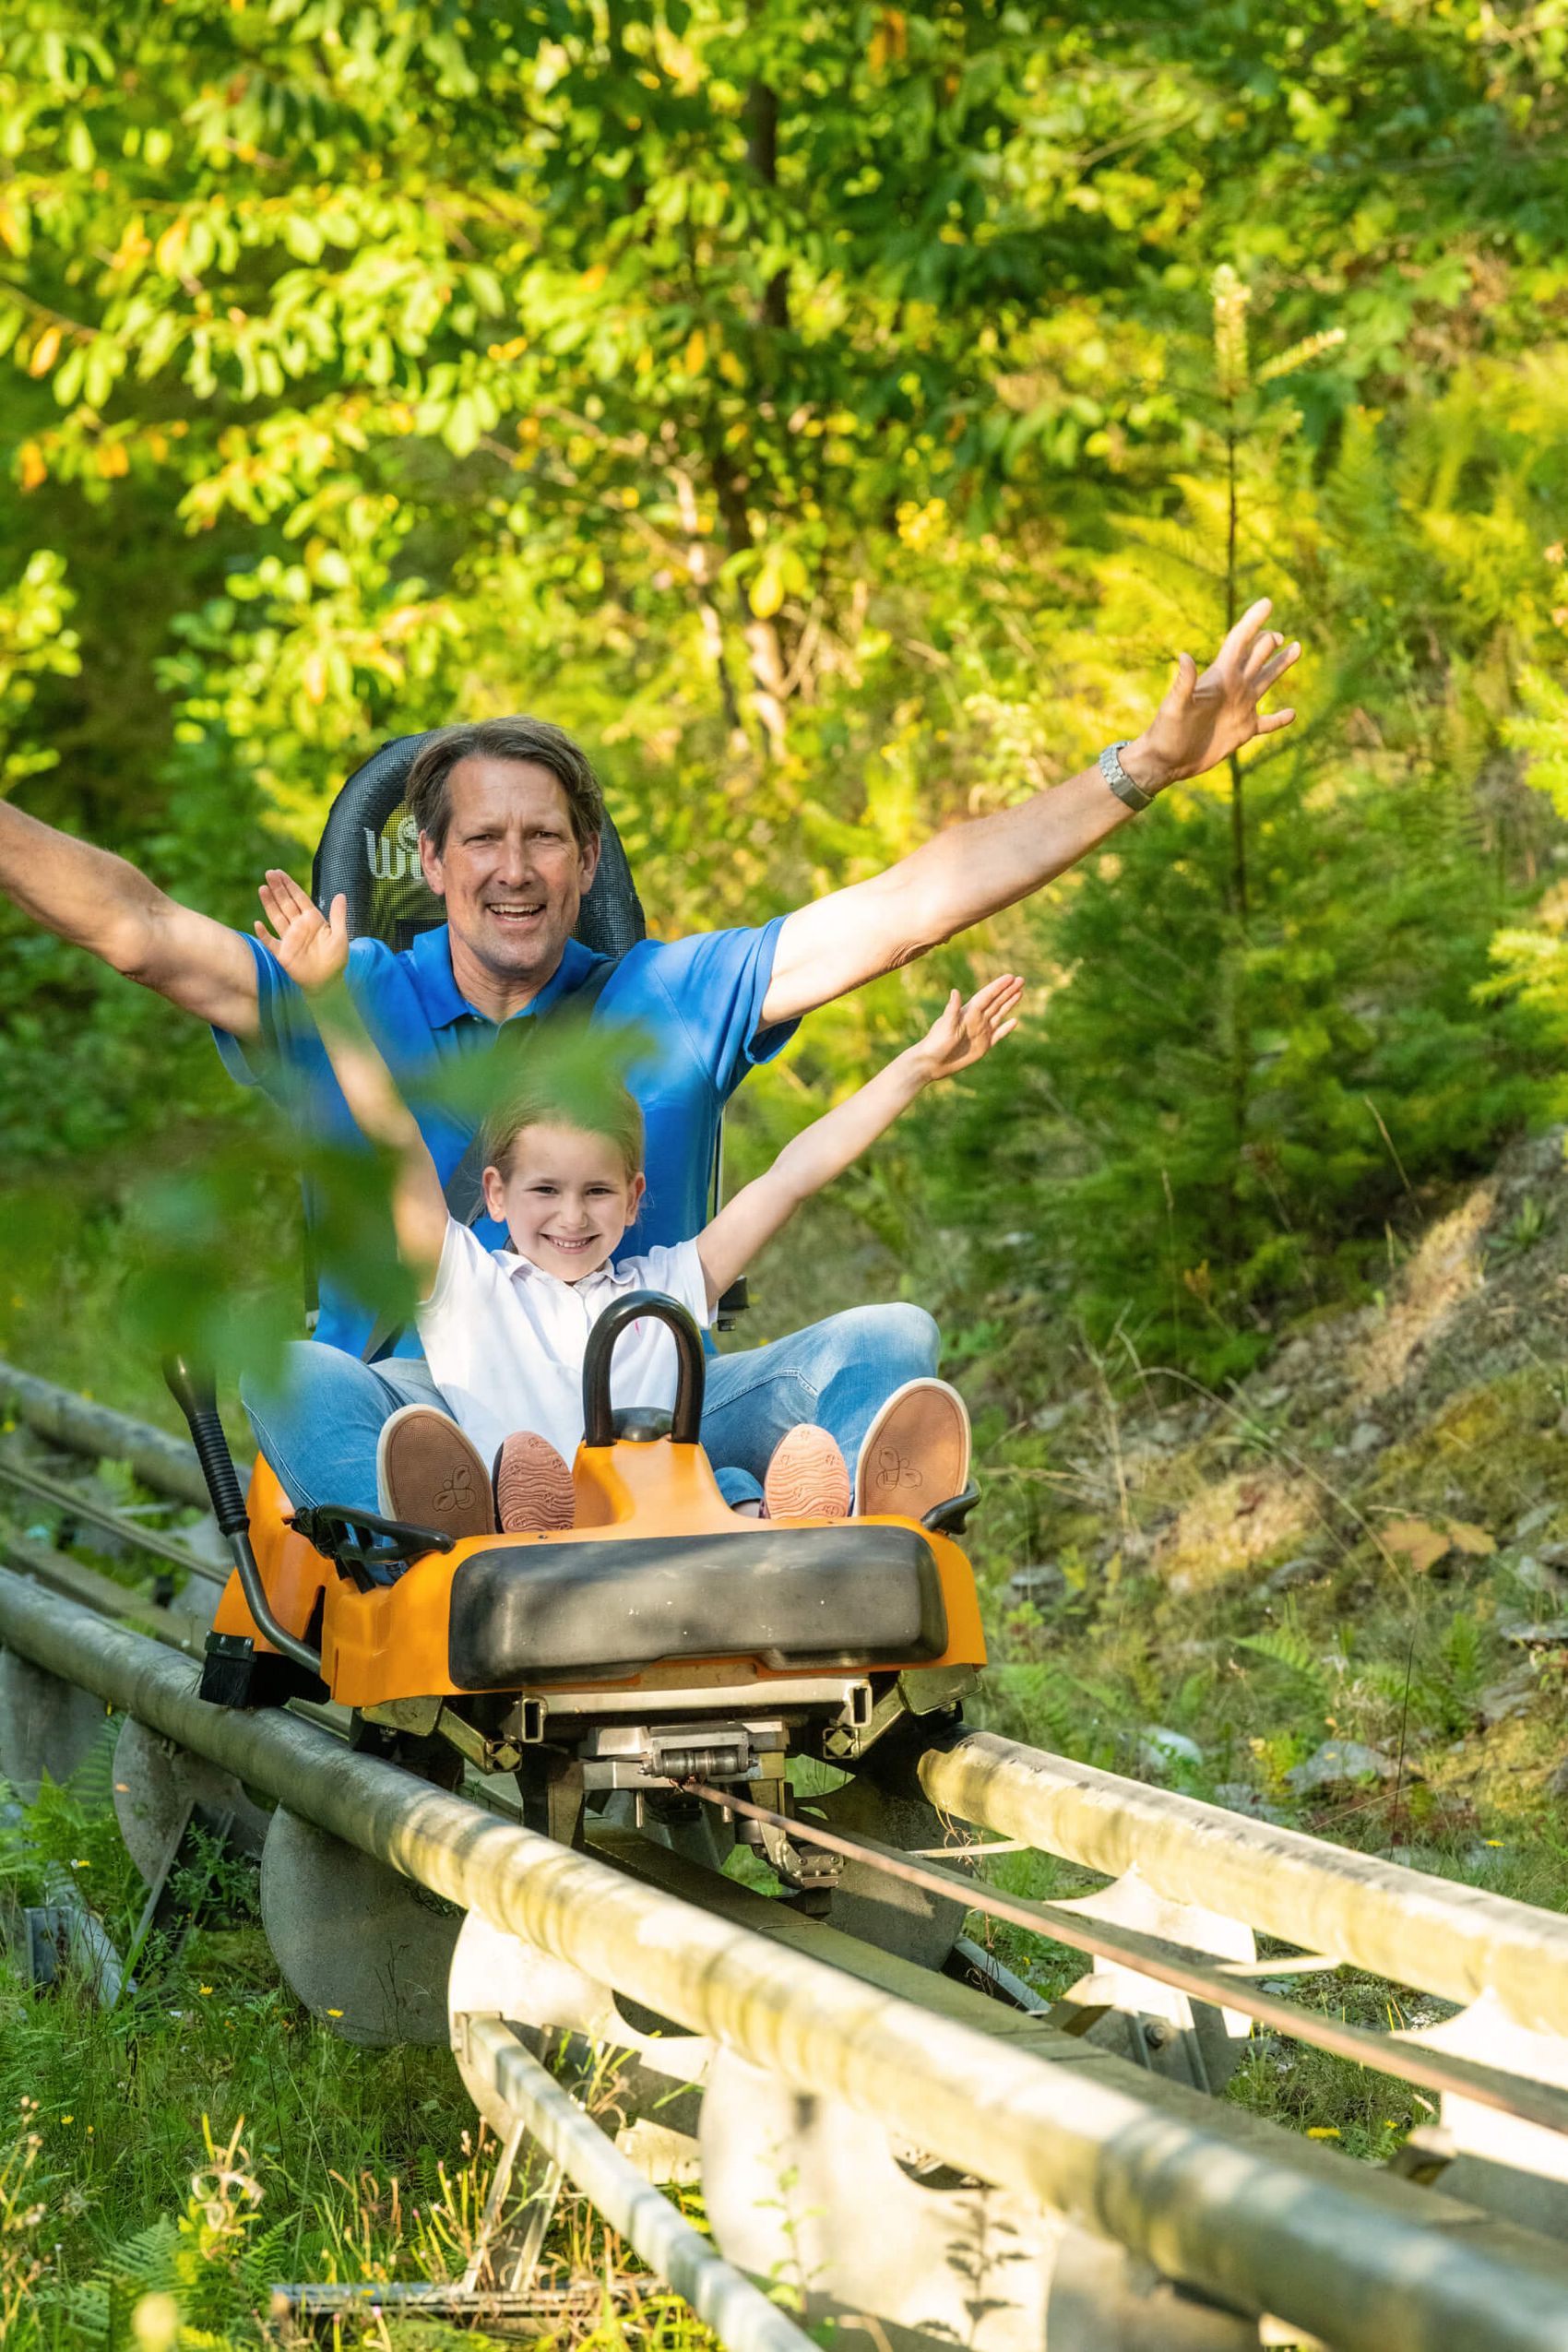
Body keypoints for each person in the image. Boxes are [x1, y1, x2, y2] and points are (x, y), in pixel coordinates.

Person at [0, 602, 1298, 1503]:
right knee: (294, 1374)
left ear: (586, 861)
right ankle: (468, 1528)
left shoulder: (674, 995)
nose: (516, 867)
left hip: (647, 1422)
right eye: (485, 841)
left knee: (888, 1340)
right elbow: (137, 927)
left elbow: (916, 904)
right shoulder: (345, 990)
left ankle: (810, 1523)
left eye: (548, 838)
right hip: (426, 1415)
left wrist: (1140, 769)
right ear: (433, 863)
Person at [251, 866, 1023, 1532]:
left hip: (663, 1513)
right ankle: (426, 1545)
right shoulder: (461, 1282)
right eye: (545, 1190)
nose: (572, 1216)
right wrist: (329, 1003)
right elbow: (392, 1135)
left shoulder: (661, 1288)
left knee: (898, 1328)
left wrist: (915, 1069)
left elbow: (792, 1173)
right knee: (280, 1372)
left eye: (597, 1192)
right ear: (495, 1193)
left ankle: (846, 1530)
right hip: (501, 1518)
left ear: (633, 1198)